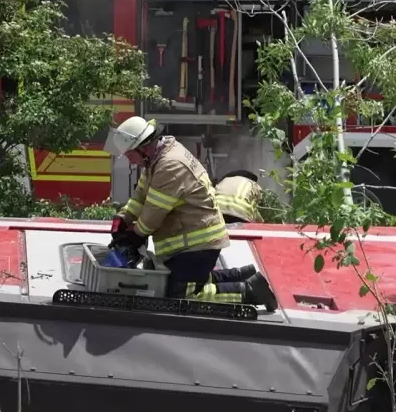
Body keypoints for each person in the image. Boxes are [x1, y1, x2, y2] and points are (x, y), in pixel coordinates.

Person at [106, 116, 277, 311]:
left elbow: (153, 213)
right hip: (191, 241)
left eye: (130, 156)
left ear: (143, 147)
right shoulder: (155, 160)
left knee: (181, 296)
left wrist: (135, 235)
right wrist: (123, 217)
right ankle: (243, 275)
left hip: (195, 244)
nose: (132, 162)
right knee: (190, 281)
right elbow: (140, 196)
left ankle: (250, 290)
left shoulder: (169, 165)